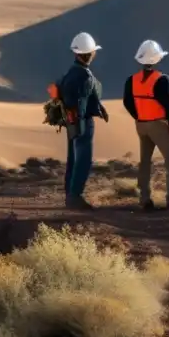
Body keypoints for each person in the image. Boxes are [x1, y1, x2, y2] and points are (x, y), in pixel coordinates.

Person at [123, 39, 169, 213]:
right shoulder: (162, 79)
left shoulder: (131, 80)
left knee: (145, 161)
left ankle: (144, 198)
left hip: (141, 125)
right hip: (158, 124)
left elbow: (127, 102)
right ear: (157, 59)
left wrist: (139, 116)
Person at [59, 32, 109, 210]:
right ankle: (75, 196)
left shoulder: (71, 73)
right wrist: (81, 121)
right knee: (83, 159)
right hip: (82, 122)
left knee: (73, 157)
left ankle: (70, 194)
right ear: (90, 54)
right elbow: (82, 101)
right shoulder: (84, 76)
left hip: (71, 121)